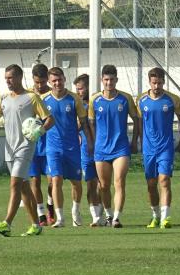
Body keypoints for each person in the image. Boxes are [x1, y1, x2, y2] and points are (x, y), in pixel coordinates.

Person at [0, 64, 54, 237]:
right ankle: (36, 225)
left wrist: (40, 130)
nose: (8, 81)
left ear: (19, 77)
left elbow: (50, 119)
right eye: (6, 78)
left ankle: (7, 223)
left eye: (10, 78)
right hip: (10, 149)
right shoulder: (3, 99)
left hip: (25, 147)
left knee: (14, 184)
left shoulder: (32, 98)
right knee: (23, 188)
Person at [89, 64, 139, 228]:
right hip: (101, 149)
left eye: (112, 79)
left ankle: (117, 218)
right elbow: (91, 123)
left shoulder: (125, 98)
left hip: (121, 148)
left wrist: (134, 141)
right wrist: (93, 142)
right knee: (103, 186)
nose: (109, 83)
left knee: (119, 181)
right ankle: (109, 215)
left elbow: (136, 119)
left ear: (116, 79)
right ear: (102, 80)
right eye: (106, 80)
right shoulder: (94, 100)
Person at [43, 67, 93, 227]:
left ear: (64, 79)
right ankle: (59, 218)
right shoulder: (44, 100)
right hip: (53, 148)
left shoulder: (74, 99)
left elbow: (84, 123)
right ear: (50, 82)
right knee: (56, 180)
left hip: (72, 148)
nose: (57, 83)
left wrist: (90, 142)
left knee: (76, 183)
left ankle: (75, 210)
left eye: (60, 80)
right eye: (54, 81)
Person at [137, 67, 180, 229]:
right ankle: (155, 216)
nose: (156, 86)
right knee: (151, 184)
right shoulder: (142, 100)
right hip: (148, 149)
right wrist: (138, 141)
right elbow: (139, 122)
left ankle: (166, 218)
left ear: (163, 82)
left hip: (166, 147)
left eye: (159, 83)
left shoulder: (172, 100)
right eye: (154, 83)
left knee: (164, 181)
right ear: (149, 82)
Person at [73, 74, 104, 226]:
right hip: (85, 150)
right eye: (77, 89)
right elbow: (75, 126)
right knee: (91, 183)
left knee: (102, 184)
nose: (79, 92)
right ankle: (95, 217)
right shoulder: (77, 106)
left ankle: (104, 214)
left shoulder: (98, 103)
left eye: (81, 88)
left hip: (102, 148)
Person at [28, 63, 54, 225]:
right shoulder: (27, 95)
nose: (40, 85)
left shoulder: (53, 95)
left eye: (43, 82)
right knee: (35, 181)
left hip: (50, 144)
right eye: (37, 82)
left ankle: (51, 206)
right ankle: (41, 214)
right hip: (32, 145)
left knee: (52, 181)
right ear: (33, 79)